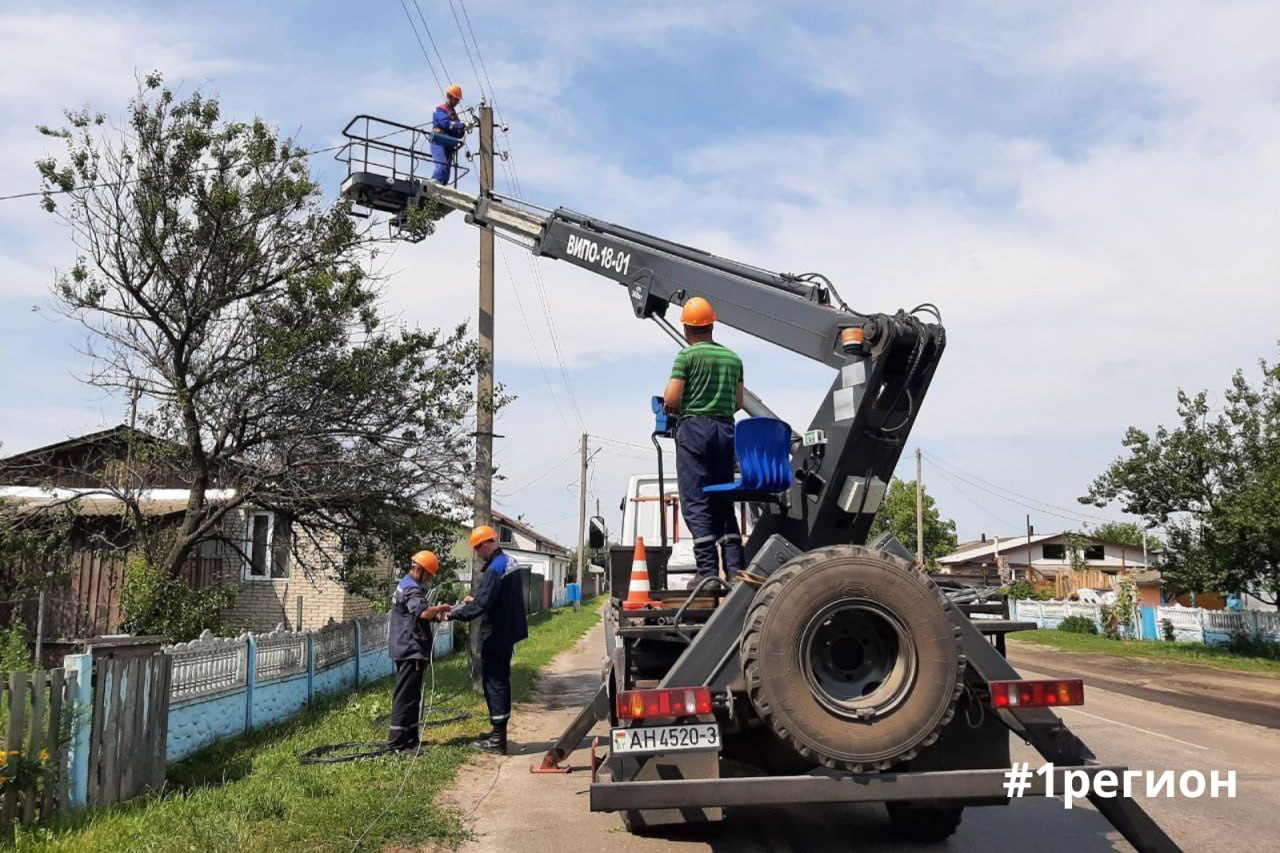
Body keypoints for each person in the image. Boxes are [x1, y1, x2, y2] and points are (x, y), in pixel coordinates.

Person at [662, 297, 746, 581]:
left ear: (687, 329)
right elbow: (738, 401)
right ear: (712, 325)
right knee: (723, 498)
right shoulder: (733, 358)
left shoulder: (686, 357)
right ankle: (735, 572)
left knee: (696, 501)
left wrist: (678, 408)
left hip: (694, 430)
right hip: (725, 432)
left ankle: (708, 573)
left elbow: (671, 398)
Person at [446, 525, 529, 754]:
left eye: (476, 549)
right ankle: (496, 733)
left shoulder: (494, 569)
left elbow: (482, 605)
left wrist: (453, 614)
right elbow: (495, 596)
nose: (476, 554)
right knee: (501, 681)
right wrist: (478, 599)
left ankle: (497, 742)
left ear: (485, 544)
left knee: (494, 684)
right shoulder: (509, 562)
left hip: (495, 634)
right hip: (508, 631)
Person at [388, 550, 452, 752]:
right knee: (405, 696)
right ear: (420, 570)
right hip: (410, 648)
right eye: (429, 575)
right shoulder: (411, 589)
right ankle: (397, 742)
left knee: (413, 695)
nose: (430, 580)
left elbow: (418, 612)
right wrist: (440, 609)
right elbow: (423, 612)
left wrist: (438, 614)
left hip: (407, 647)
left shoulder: (406, 584)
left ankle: (411, 739)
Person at [431, 83, 467, 184]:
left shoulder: (454, 115)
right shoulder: (442, 109)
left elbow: (459, 133)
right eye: (455, 99)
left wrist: (463, 129)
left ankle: (442, 186)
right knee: (442, 164)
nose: (457, 101)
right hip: (438, 140)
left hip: (449, 144)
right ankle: (435, 182)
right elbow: (444, 123)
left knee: (446, 170)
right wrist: (459, 126)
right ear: (449, 97)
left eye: (458, 99)